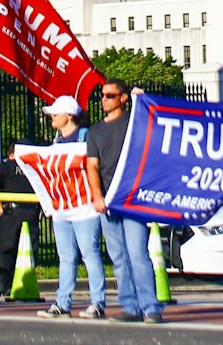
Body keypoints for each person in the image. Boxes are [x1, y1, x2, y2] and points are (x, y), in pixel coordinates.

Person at [86, 80, 162, 324]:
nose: (104, 99)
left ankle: (151, 307)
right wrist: (97, 195)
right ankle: (130, 306)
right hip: (108, 202)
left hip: (133, 199)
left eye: (110, 95)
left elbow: (157, 123)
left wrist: (144, 99)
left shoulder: (134, 122)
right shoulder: (95, 131)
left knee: (137, 253)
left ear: (122, 98)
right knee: (118, 257)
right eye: (102, 95)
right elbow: (91, 166)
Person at [36, 95, 106, 320]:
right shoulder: (57, 141)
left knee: (90, 254)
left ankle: (98, 302)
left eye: (56, 113)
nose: (52, 117)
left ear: (69, 115)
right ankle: (62, 302)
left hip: (84, 206)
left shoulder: (85, 137)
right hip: (62, 207)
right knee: (65, 257)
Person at [0, 136, 40, 302]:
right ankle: (2, 286)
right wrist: (1, 213)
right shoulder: (4, 168)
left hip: (30, 211)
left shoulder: (35, 167)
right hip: (11, 213)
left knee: (29, 250)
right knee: (6, 250)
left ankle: (23, 286)